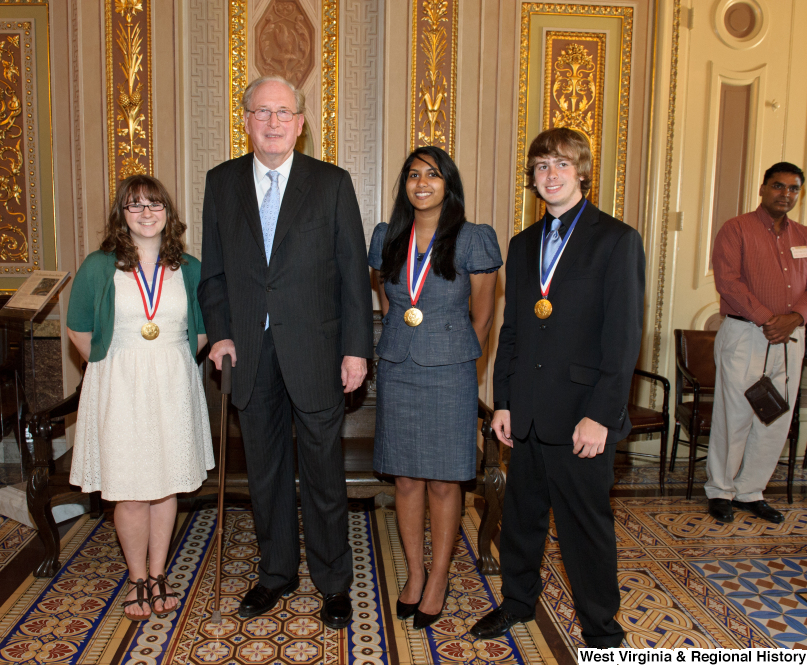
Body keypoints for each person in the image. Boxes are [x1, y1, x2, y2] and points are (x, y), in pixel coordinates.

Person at [197, 75, 373, 629]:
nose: (273, 122)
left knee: (324, 475)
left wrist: (356, 351)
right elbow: (214, 274)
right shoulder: (221, 183)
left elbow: (352, 276)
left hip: (318, 352)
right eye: (262, 112)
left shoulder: (332, 184)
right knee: (266, 475)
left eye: (284, 113)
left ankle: (333, 582)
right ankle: (275, 574)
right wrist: (220, 332)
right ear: (245, 119)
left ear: (300, 123)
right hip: (247, 352)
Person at [470, 127, 644, 647]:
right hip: (525, 413)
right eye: (542, 166)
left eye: (561, 165)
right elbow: (515, 329)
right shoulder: (522, 246)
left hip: (581, 417)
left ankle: (601, 629)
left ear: (583, 172)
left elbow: (623, 337)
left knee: (583, 529)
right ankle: (518, 603)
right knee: (521, 521)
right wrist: (502, 402)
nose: (550, 175)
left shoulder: (616, 240)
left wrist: (602, 414)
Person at [66, 175, 213, 621]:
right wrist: (115, 364)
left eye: (155, 205)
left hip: (172, 382)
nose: (146, 214)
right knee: (130, 489)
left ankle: (159, 572)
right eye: (135, 206)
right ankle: (136, 580)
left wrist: (170, 360)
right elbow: (77, 327)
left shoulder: (189, 267)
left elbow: (204, 329)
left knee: (165, 483)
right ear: (121, 215)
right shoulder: (99, 265)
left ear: (168, 213)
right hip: (120, 383)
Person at [368, 147, 501, 630]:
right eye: (412, 174)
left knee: (445, 481)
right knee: (405, 478)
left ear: (449, 183)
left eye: (432, 174)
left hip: (450, 371)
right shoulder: (387, 236)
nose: (421, 182)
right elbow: (386, 298)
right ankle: (415, 573)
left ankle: (440, 576)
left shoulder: (472, 239)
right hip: (400, 365)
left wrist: (459, 355)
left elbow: (483, 316)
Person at [707, 163, 807, 524]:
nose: (785, 194)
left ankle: (750, 491)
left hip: (791, 337)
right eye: (778, 186)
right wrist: (767, 319)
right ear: (762, 188)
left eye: (793, 189)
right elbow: (728, 281)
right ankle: (720, 489)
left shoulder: (805, 236)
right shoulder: (737, 229)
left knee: (777, 416)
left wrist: (794, 318)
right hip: (746, 334)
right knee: (736, 415)